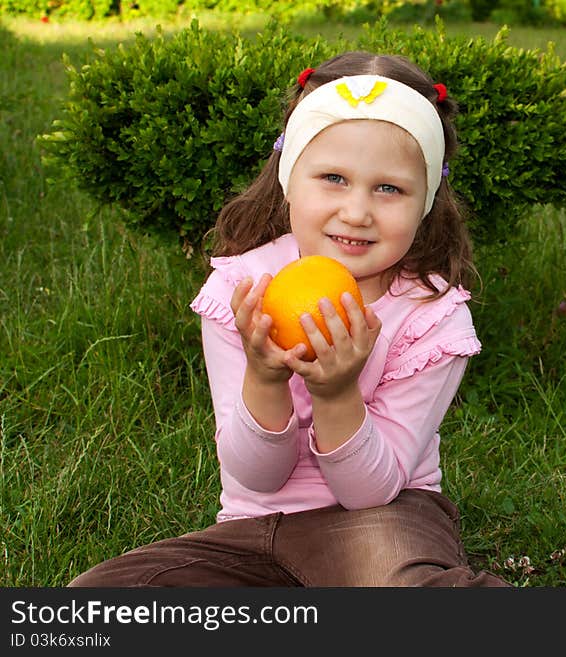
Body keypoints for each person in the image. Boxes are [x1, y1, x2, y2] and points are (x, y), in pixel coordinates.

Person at [69, 51, 510, 587]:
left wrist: (335, 393)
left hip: (380, 520)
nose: (356, 212)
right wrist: (264, 376)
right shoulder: (243, 290)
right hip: (252, 531)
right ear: (287, 178)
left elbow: (369, 491)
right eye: (332, 178)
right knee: (100, 599)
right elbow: (256, 476)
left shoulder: (430, 317)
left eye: (389, 188)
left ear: (426, 201)